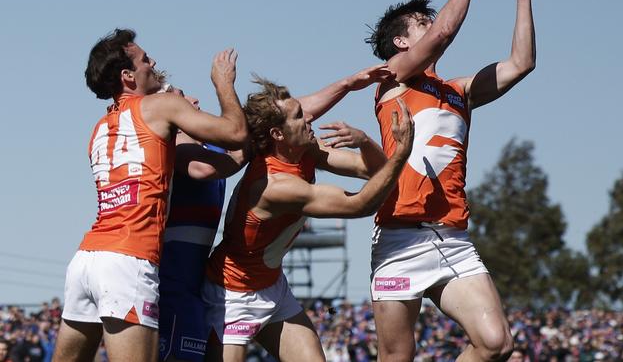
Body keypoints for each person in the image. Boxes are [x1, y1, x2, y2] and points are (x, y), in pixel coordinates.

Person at [365, 0, 542, 362]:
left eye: (428, 20)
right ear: (402, 44)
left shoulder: (458, 89)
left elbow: (521, 63)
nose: (431, 23)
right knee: (396, 357)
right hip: (398, 239)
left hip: (452, 237)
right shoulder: (394, 80)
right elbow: (444, 32)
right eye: (419, 23)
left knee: (497, 343)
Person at [53, 29, 248, 362]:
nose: (152, 62)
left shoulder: (100, 128)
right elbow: (236, 132)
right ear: (128, 76)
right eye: (144, 59)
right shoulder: (159, 107)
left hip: (86, 259)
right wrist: (223, 83)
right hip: (128, 260)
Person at [202, 77, 415, 362]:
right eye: (299, 115)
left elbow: (373, 170)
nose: (310, 117)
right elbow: (361, 204)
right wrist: (402, 152)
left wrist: (364, 142)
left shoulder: (306, 151)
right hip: (231, 294)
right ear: (278, 134)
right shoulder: (275, 186)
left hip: (272, 287)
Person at [158, 85, 247, 362]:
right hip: (172, 284)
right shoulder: (175, 147)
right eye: (183, 95)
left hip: (197, 285)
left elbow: (260, 122)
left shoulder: (210, 146)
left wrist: (345, 85)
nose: (195, 99)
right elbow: (205, 168)